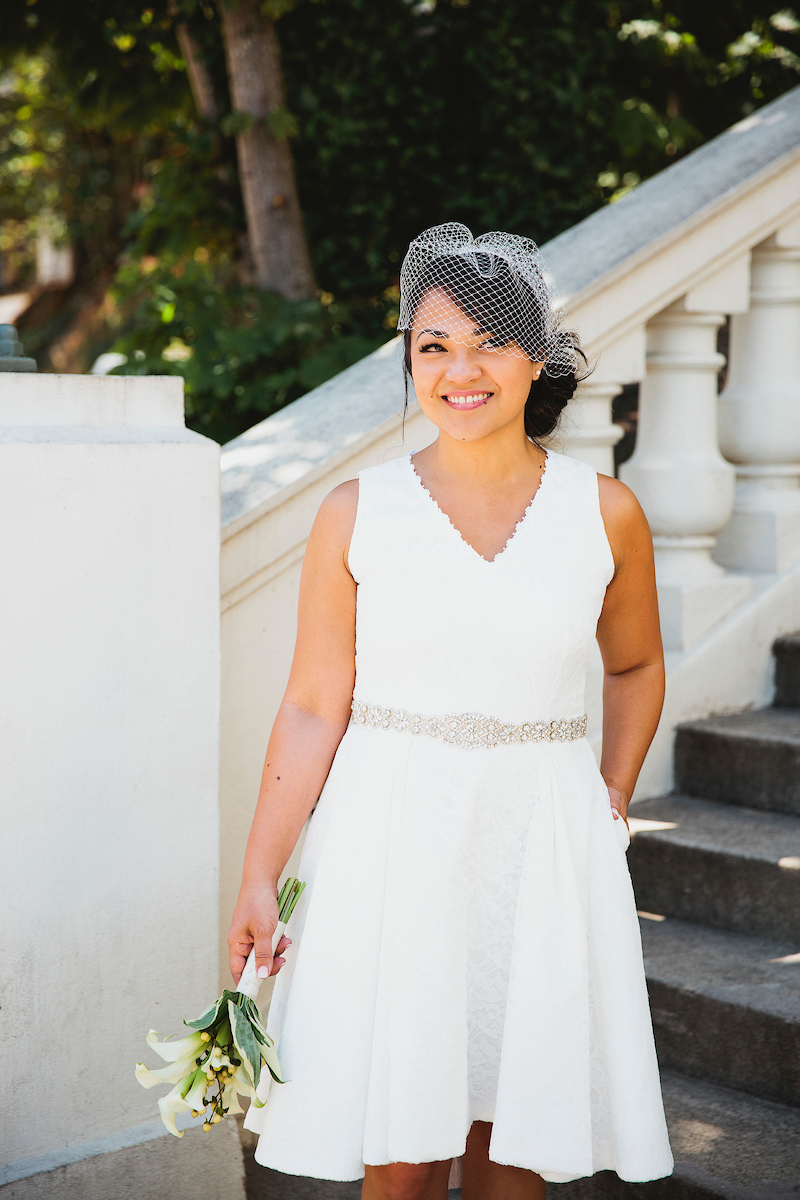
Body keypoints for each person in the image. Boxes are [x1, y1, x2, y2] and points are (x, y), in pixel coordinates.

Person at [229, 223, 674, 1200]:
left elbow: (635, 665)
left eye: (487, 342)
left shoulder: (604, 514)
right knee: (402, 1148)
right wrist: (260, 872)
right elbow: (311, 706)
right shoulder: (356, 512)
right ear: (408, 362)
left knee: (516, 1143)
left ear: (536, 358)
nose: (458, 370)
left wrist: (607, 794)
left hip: (539, 845)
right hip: (391, 845)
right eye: (432, 346)